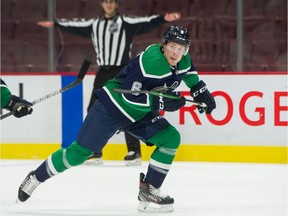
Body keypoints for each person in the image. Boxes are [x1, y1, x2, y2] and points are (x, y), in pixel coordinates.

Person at [17, 25, 216, 212]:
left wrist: (200, 90)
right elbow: (130, 95)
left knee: (170, 138)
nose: (175, 52)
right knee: (78, 154)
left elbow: (189, 74)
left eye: (181, 48)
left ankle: (149, 190)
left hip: (138, 113)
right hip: (113, 106)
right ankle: (36, 177)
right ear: (164, 45)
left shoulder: (183, 60)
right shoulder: (151, 62)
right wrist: (162, 103)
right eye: (172, 46)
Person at [38, 0, 182, 166]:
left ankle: (134, 151)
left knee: (129, 109)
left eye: (112, 2)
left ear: (117, 4)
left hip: (123, 73)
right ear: (102, 4)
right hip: (103, 72)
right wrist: (56, 24)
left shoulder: (125, 22)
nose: (109, 4)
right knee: (93, 107)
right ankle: (95, 151)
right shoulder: (95, 24)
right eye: (106, 1)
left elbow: (145, 22)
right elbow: (74, 25)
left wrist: (163, 18)